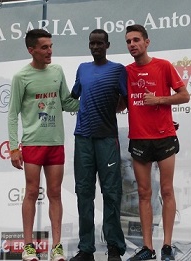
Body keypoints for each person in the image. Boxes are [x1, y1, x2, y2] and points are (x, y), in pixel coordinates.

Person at [8, 29, 79, 261]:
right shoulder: (21, 77)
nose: (50, 51)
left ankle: (56, 247)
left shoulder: (57, 71)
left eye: (51, 46)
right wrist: (14, 147)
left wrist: (95, 99)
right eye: (45, 47)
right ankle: (29, 247)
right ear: (32, 50)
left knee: (55, 193)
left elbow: (67, 102)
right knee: (30, 192)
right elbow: (12, 114)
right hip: (32, 144)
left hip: (55, 142)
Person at [125, 24, 190, 261]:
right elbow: (122, 104)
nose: (132, 44)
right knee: (144, 193)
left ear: (147, 42)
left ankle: (167, 246)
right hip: (140, 139)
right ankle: (147, 248)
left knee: (167, 190)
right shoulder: (126, 71)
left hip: (164, 138)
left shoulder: (163, 66)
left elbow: (185, 95)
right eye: (128, 41)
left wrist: (159, 99)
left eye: (136, 40)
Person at [69, 29, 127, 261]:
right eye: (92, 43)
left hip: (107, 139)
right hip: (83, 138)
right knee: (84, 193)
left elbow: (126, 100)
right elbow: (73, 96)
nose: (95, 47)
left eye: (100, 43)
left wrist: (110, 111)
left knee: (111, 193)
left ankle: (114, 247)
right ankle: (86, 249)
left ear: (108, 45)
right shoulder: (82, 69)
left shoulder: (117, 70)